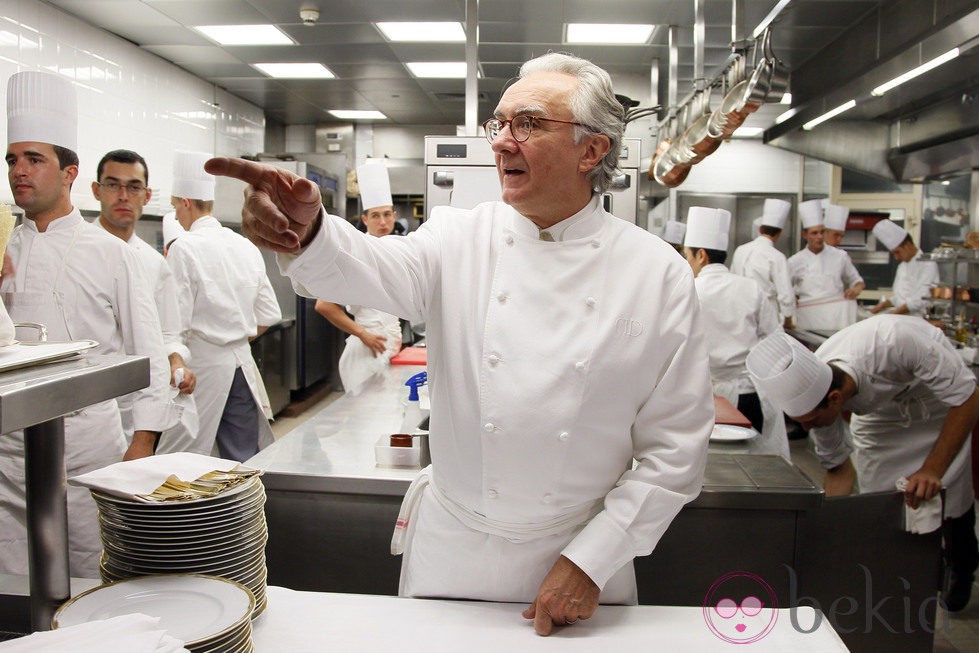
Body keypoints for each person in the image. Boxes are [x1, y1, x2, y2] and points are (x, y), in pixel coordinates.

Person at [206, 52, 714, 636]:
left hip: (578, 559)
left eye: (528, 123)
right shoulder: (458, 238)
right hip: (452, 547)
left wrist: (592, 559)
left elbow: (675, 448)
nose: (502, 142)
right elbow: (364, 266)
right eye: (499, 124)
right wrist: (311, 230)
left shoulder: (655, 272)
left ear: (592, 150)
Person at [1, 71, 173, 577]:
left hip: (87, 452)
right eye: (12, 159)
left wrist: (140, 448)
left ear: (70, 174)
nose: (19, 171)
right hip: (8, 454)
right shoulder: (4, 248)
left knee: (88, 577)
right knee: (12, 583)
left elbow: (150, 354)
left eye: (35, 159)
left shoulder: (109, 253)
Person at [747, 319, 979, 611]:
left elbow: (969, 399)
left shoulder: (895, 340)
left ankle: (963, 566)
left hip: (940, 406)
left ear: (835, 399)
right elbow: (839, 472)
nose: (808, 430)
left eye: (810, 422)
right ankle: (899, 580)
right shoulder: (818, 391)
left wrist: (933, 469)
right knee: (881, 506)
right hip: (879, 420)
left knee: (952, 498)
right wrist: (822, 535)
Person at [166, 150, 282, 462]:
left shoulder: (183, 249)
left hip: (200, 368)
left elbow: (173, 325)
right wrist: (235, 337)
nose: (176, 215)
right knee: (240, 455)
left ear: (186, 203)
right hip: (241, 364)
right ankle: (243, 512)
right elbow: (270, 314)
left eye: (176, 206)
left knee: (190, 460)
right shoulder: (244, 245)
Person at [91, 149, 201, 454]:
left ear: (147, 195)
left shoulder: (154, 264)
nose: (123, 196)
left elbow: (167, 333)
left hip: (140, 404)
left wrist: (177, 361)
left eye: (134, 187)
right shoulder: (79, 252)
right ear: (96, 190)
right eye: (113, 185)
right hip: (87, 405)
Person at [683, 206, 787, 459]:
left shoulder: (687, 291)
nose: (686, 262)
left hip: (698, 398)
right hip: (747, 395)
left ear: (701, 256)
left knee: (703, 465)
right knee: (750, 465)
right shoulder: (751, 289)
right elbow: (777, 343)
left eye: (687, 255)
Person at [315, 161, 402, 394]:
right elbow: (324, 305)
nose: (382, 222)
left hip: (389, 348)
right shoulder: (355, 252)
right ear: (365, 220)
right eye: (375, 216)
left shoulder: (397, 249)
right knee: (367, 422)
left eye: (386, 215)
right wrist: (363, 334)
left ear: (394, 216)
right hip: (365, 352)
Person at [788, 199, 865, 331]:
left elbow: (858, 282)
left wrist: (855, 289)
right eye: (814, 233)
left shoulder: (840, 256)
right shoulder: (795, 261)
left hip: (836, 319)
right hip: (808, 320)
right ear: (805, 234)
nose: (819, 236)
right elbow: (786, 290)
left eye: (822, 232)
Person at [730, 198, 795, 329]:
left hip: (740, 310)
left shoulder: (740, 250)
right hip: (767, 312)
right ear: (780, 233)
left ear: (760, 229)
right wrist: (788, 318)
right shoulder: (777, 257)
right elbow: (785, 294)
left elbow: (732, 279)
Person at [870, 219, 940, 317]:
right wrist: (881, 306)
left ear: (908, 245)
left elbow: (921, 299)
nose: (896, 257)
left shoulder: (928, 264)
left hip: (917, 320)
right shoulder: (902, 266)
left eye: (897, 252)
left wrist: (890, 316)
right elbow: (899, 298)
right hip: (901, 318)